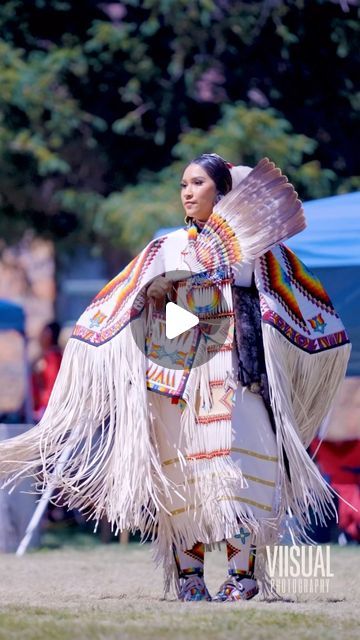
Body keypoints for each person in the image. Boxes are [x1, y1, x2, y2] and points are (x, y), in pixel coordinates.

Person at [0, 154, 350, 602]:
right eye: (183, 184)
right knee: (183, 479)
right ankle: (190, 580)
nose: (186, 192)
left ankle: (242, 578)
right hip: (177, 384)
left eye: (197, 183)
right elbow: (129, 303)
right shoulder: (166, 248)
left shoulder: (258, 251)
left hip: (238, 379)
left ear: (221, 193)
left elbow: (300, 304)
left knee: (242, 470)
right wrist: (177, 309)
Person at [32, 321, 62, 422]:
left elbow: (52, 384)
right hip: (42, 407)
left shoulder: (53, 358)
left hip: (48, 408)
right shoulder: (46, 357)